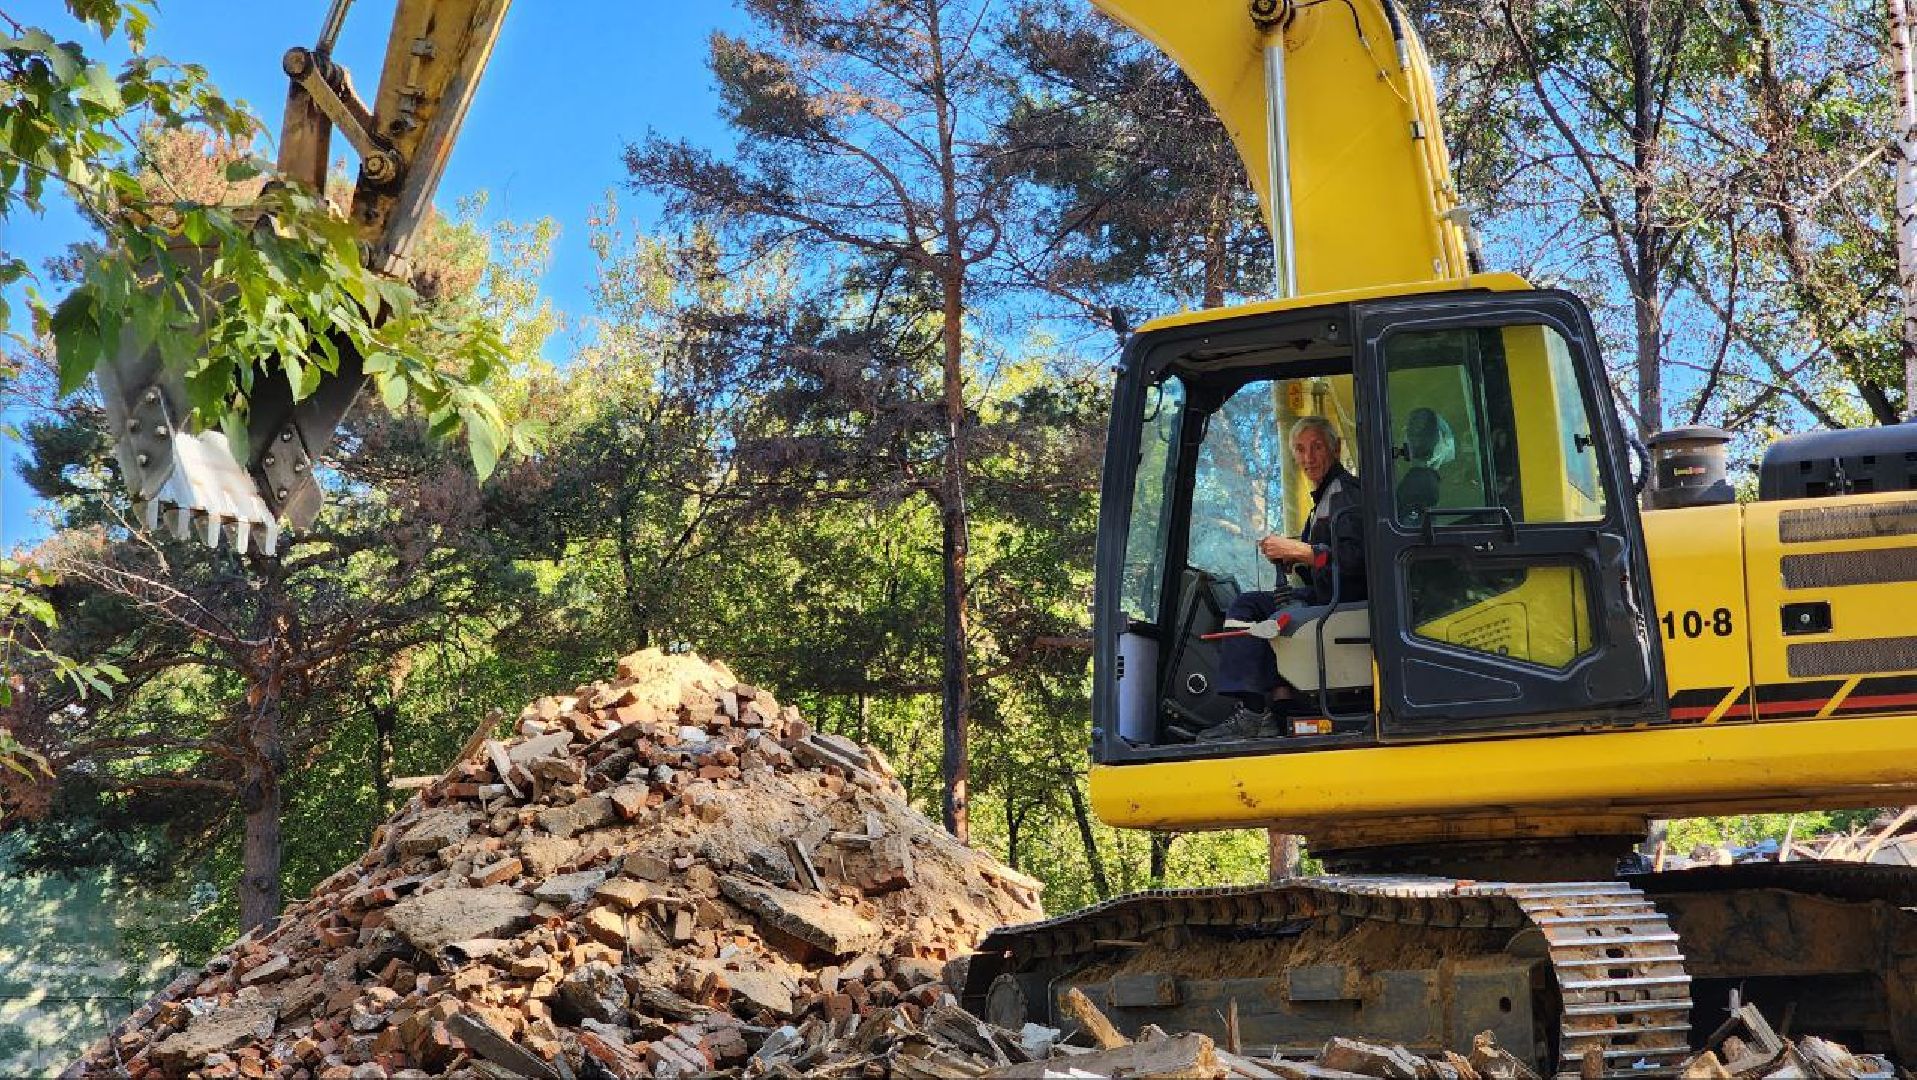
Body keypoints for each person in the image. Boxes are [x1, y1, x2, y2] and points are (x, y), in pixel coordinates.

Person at [1200, 415, 1367, 742]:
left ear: (1335, 447)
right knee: (1260, 607)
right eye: (1301, 450)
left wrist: (1303, 552)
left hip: (1343, 605)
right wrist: (1295, 559)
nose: (1308, 457)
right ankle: (1278, 708)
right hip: (1328, 597)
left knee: (1249, 608)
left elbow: (1356, 559)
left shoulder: (1346, 494)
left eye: (1317, 447)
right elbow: (1324, 558)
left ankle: (1251, 712)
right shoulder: (1324, 497)